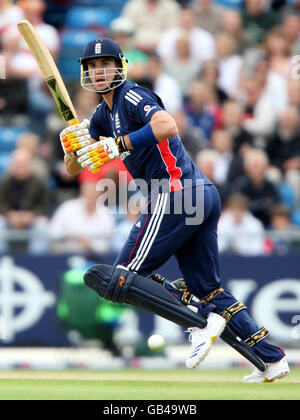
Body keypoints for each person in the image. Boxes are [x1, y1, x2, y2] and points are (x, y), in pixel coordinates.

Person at [59, 37, 289, 382]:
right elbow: (75, 168)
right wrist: (70, 148)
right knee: (208, 288)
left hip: (176, 191)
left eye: (105, 64)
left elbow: (168, 125)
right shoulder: (101, 116)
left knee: (121, 277)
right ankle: (272, 359)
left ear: (119, 66)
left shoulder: (132, 96)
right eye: (92, 67)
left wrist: (118, 144)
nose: (99, 71)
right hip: (198, 194)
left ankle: (198, 324)